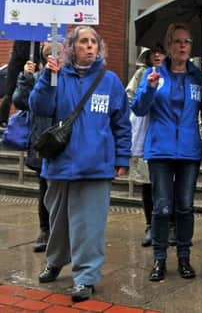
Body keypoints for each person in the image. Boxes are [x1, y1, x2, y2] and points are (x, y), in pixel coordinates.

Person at [30, 26, 131, 302]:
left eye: (93, 42)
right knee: (58, 220)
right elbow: (40, 107)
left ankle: (85, 277)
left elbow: (121, 123)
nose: (89, 46)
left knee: (90, 225)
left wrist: (122, 157)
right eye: (83, 41)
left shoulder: (110, 81)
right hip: (60, 163)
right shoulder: (57, 75)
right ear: (71, 47)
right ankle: (55, 261)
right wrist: (46, 77)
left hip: (95, 166)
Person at [131, 22, 202, 282]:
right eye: (177, 41)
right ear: (167, 46)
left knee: (185, 207)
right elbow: (138, 108)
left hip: (188, 151)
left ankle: (184, 258)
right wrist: (149, 88)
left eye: (186, 42)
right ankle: (159, 259)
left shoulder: (196, 76)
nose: (182, 46)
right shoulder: (153, 74)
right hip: (160, 151)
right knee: (162, 207)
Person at [12, 44, 55, 253]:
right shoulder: (36, 78)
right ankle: (45, 230)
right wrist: (25, 79)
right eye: (46, 54)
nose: (50, 56)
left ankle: (60, 230)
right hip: (42, 142)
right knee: (44, 188)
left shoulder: (69, 79)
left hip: (63, 141)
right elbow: (20, 101)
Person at [125, 45, 166, 247]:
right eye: (153, 52)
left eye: (161, 50)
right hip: (144, 132)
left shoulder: (177, 73)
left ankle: (170, 225)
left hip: (166, 134)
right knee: (147, 182)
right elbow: (130, 98)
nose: (157, 55)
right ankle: (150, 224)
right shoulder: (142, 73)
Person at [0, 41, 41, 126]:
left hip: (27, 64)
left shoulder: (34, 37)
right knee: (9, 94)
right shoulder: (25, 36)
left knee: (29, 94)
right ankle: (2, 121)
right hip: (20, 65)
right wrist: (37, 62)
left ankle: (6, 121)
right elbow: (23, 52)